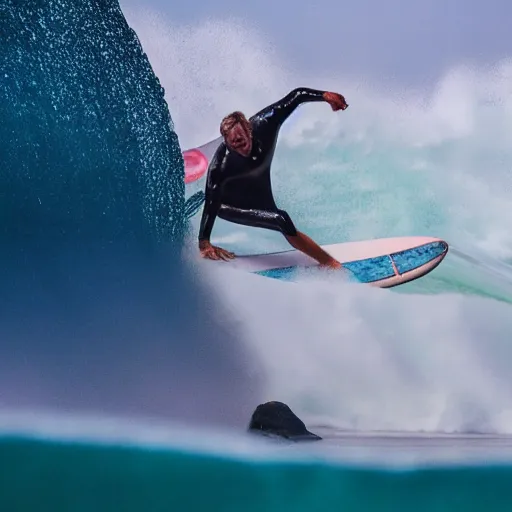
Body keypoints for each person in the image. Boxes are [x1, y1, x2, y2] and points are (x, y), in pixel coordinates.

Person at [198, 87, 348, 268]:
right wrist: (204, 242)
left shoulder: (266, 123)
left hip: (257, 188)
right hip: (228, 205)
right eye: (233, 145)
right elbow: (211, 201)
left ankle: (315, 254)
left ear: (249, 130)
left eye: (242, 142)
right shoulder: (221, 165)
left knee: (280, 220)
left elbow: (296, 96)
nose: (240, 149)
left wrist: (325, 96)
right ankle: (330, 263)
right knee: (280, 219)